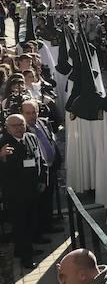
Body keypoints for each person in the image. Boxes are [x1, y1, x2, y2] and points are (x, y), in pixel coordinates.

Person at [0, 113, 47, 266]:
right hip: (15, 193)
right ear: (7, 128)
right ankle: (26, 259)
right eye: (14, 125)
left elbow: (40, 159)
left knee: (30, 221)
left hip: (33, 189)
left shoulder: (31, 137)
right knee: (21, 225)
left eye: (21, 124)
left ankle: (23, 250)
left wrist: (42, 180)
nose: (19, 128)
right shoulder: (3, 143)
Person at [21, 99, 62, 237]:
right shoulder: (22, 129)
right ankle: (38, 232)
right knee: (37, 203)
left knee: (48, 199)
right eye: (28, 113)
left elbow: (51, 138)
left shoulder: (43, 122)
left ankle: (48, 225)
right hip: (35, 172)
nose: (32, 116)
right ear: (22, 113)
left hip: (50, 167)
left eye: (34, 112)